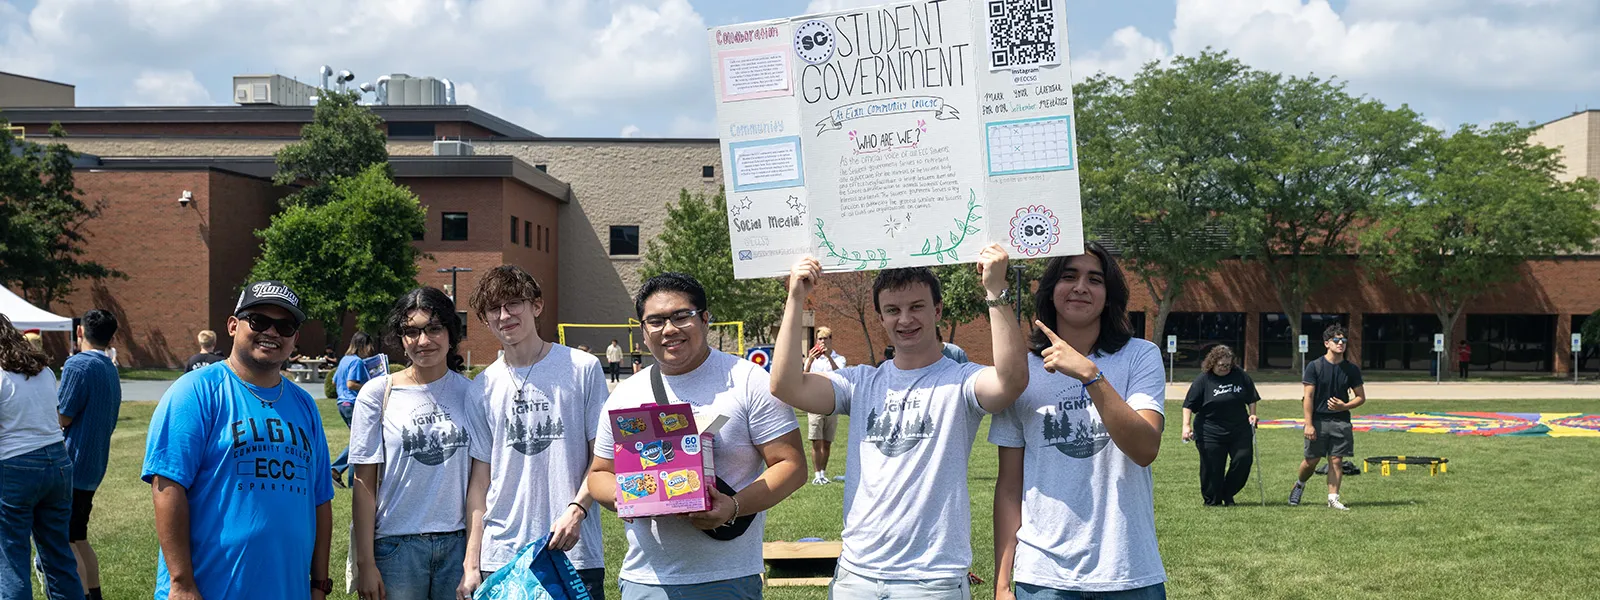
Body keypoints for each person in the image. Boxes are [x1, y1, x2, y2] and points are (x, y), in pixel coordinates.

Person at [770, 244, 1028, 599]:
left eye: (916, 307)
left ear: (937, 309)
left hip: (931, 579)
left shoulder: (961, 381)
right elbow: (785, 385)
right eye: (892, 310)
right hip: (856, 575)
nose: (905, 320)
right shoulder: (860, 382)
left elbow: (1011, 381)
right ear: (880, 318)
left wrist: (995, 290)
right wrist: (795, 299)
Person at [588, 272, 806, 600]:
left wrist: (733, 506)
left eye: (682, 316)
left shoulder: (748, 380)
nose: (670, 329)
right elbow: (600, 473)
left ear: (705, 320)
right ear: (643, 332)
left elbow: (791, 465)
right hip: (646, 579)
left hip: (727, 577)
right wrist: (628, 497)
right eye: (656, 321)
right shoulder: (625, 394)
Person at [991, 245, 1169, 599]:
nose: (1080, 287)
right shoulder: (1021, 372)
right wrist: (1002, 582)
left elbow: (1145, 448)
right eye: (1068, 276)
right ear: (1050, 290)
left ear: (1109, 295)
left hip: (1128, 572)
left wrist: (1090, 374)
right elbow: (1010, 487)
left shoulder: (1140, 356)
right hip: (1042, 577)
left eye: (1094, 279)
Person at [142, 281, 336, 599]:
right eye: (259, 321)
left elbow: (319, 499)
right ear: (233, 325)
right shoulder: (195, 391)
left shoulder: (305, 406)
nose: (272, 332)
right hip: (210, 588)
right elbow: (167, 487)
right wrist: (181, 583)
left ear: (295, 339)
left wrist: (318, 584)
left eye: (285, 326)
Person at [462, 266, 608, 598]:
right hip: (501, 555)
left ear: (536, 306)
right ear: (485, 319)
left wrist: (577, 510)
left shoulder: (582, 368)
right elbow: (480, 481)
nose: (504, 315)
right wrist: (472, 563)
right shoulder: (482, 386)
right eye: (493, 309)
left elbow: (603, 456)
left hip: (571, 547)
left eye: (514, 303)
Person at [350, 287, 488, 600]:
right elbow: (364, 483)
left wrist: (472, 559)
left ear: (451, 333)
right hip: (396, 547)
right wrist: (366, 563)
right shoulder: (377, 394)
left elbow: (480, 483)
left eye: (434, 329)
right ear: (400, 338)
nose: (423, 341)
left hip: (457, 545)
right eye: (411, 331)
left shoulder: (473, 394)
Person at [0, 314, 85, 600]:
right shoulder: (42, 370)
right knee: (59, 557)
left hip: (15, 466)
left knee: (11, 559)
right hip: (57, 463)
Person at [56, 309, 121, 600]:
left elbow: (63, 416)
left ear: (80, 332)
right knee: (79, 537)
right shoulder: (110, 366)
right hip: (95, 463)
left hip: (72, 463)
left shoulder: (78, 365)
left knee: (66, 541)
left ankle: (79, 594)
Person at [1289, 324, 1366, 511]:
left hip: (1341, 421)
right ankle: (1299, 484)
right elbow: (1307, 397)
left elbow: (1361, 397)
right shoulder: (1314, 366)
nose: (1341, 343)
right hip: (1318, 420)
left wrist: (1345, 406)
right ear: (1326, 343)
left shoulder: (1351, 369)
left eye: (1344, 341)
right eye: (1336, 340)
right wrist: (1308, 424)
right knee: (1311, 461)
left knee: (1336, 460)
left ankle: (1333, 498)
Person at [1181, 345, 1260, 506]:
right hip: (1210, 431)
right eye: (1221, 365)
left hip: (1239, 429)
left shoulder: (1240, 376)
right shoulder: (1204, 380)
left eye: (1228, 365)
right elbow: (1188, 405)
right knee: (1212, 467)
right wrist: (1186, 426)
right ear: (1212, 363)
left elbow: (1251, 397)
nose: (1225, 368)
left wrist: (1252, 413)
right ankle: (1212, 499)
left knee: (1243, 460)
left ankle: (1228, 492)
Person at [330, 332, 380, 487]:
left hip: (342, 404)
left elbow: (334, 382)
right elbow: (351, 384)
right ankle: (343, 474)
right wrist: (371, 386)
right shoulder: (357, 362)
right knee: (359, 441)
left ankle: (338, 472)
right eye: (368, 345)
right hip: (352, 404)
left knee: (356, 440)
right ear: (362, 345)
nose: (370, 349)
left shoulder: (345, 360)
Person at [802, 326, 847, 485]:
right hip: (814, 403)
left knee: (827, 442)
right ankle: (816, 475)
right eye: (820, 338)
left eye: (826, 338)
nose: (822, 341)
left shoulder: (839, 358)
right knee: (816, 440)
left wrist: (829, 358)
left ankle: (823, 472)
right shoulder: (811, 358)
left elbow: (841, 376)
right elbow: (803, 376)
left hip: (832, 403)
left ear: (831, 340)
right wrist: (810, 360)